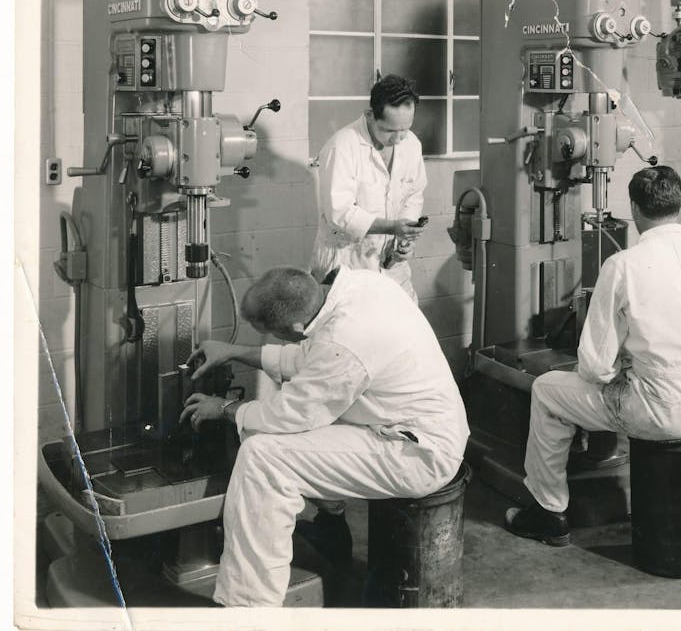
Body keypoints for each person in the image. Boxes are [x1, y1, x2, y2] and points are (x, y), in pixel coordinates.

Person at [179, 265, 469, 607]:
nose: (275, 340)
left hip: (418, 454)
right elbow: (309, 357)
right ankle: (330, 525)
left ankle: (249, 608)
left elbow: (287, 415)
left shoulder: (346, 341)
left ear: (297, 327)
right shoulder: (358, 286)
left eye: (275, 334)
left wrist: (225, 408)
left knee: (263, 458)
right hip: (401, 421)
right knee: (289, 429)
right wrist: (233, 351)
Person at [503, 165, 681, 546]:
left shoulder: (622, 266)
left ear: (635, 209)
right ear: (679, 205)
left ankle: (548, 511)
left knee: (547, 391)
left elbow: (593, 366)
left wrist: (625, 367)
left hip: (660, 413)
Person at [311, 74, 428, 300]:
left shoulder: (411, 144)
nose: (399, 138)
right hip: (347, 263)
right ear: (370, 115)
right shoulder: (343, 146)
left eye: (405, 128)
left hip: (391, 264)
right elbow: (340, 213)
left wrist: (403, 239)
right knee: (347, 331)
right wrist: (393, 227)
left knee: (403, 328)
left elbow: (413, 195)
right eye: (390, 131)